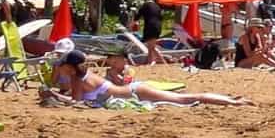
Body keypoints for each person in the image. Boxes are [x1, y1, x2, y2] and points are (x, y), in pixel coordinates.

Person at [51, 50, 250, 107]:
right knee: (186, 97)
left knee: (187, 98)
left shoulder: (77, 80)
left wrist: (53, 94)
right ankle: (232, 100)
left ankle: (233, 102)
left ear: (70, 67)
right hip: (135, 91)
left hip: (135, 93)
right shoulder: (86, 75)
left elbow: (74, 102)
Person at [133, 0, 165, 64]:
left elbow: (137, 17)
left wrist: (131, 25)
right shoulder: (157, 7)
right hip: (158, 27)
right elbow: (161, 17)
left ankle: (161, 61)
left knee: (151, 47)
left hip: (150, 26)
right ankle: (150, 61)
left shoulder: (145, 5)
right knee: (151, 47)